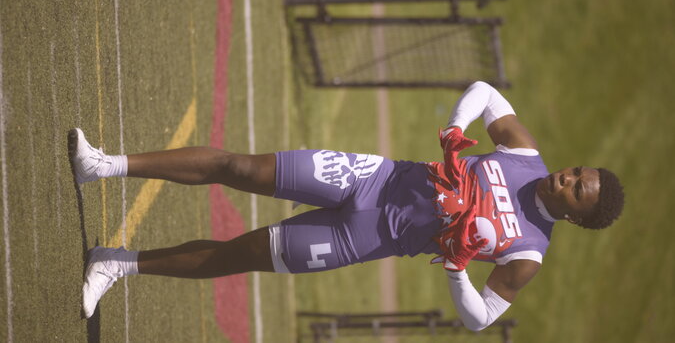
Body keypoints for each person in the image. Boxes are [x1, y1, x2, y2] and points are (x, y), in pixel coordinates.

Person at [70, 81, 624, 330]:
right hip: (370, 177)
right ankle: (104, 165)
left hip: (364, 239)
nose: (567, 177)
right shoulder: (524, 153)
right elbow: (485, 91)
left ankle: (116, 264)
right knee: (239, 168)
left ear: (576, 217)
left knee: (237, 256)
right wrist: (456, 130)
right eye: (578, 171)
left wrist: (457, 268)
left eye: (577, 189)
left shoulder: (528, 255)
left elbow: (480, 320)